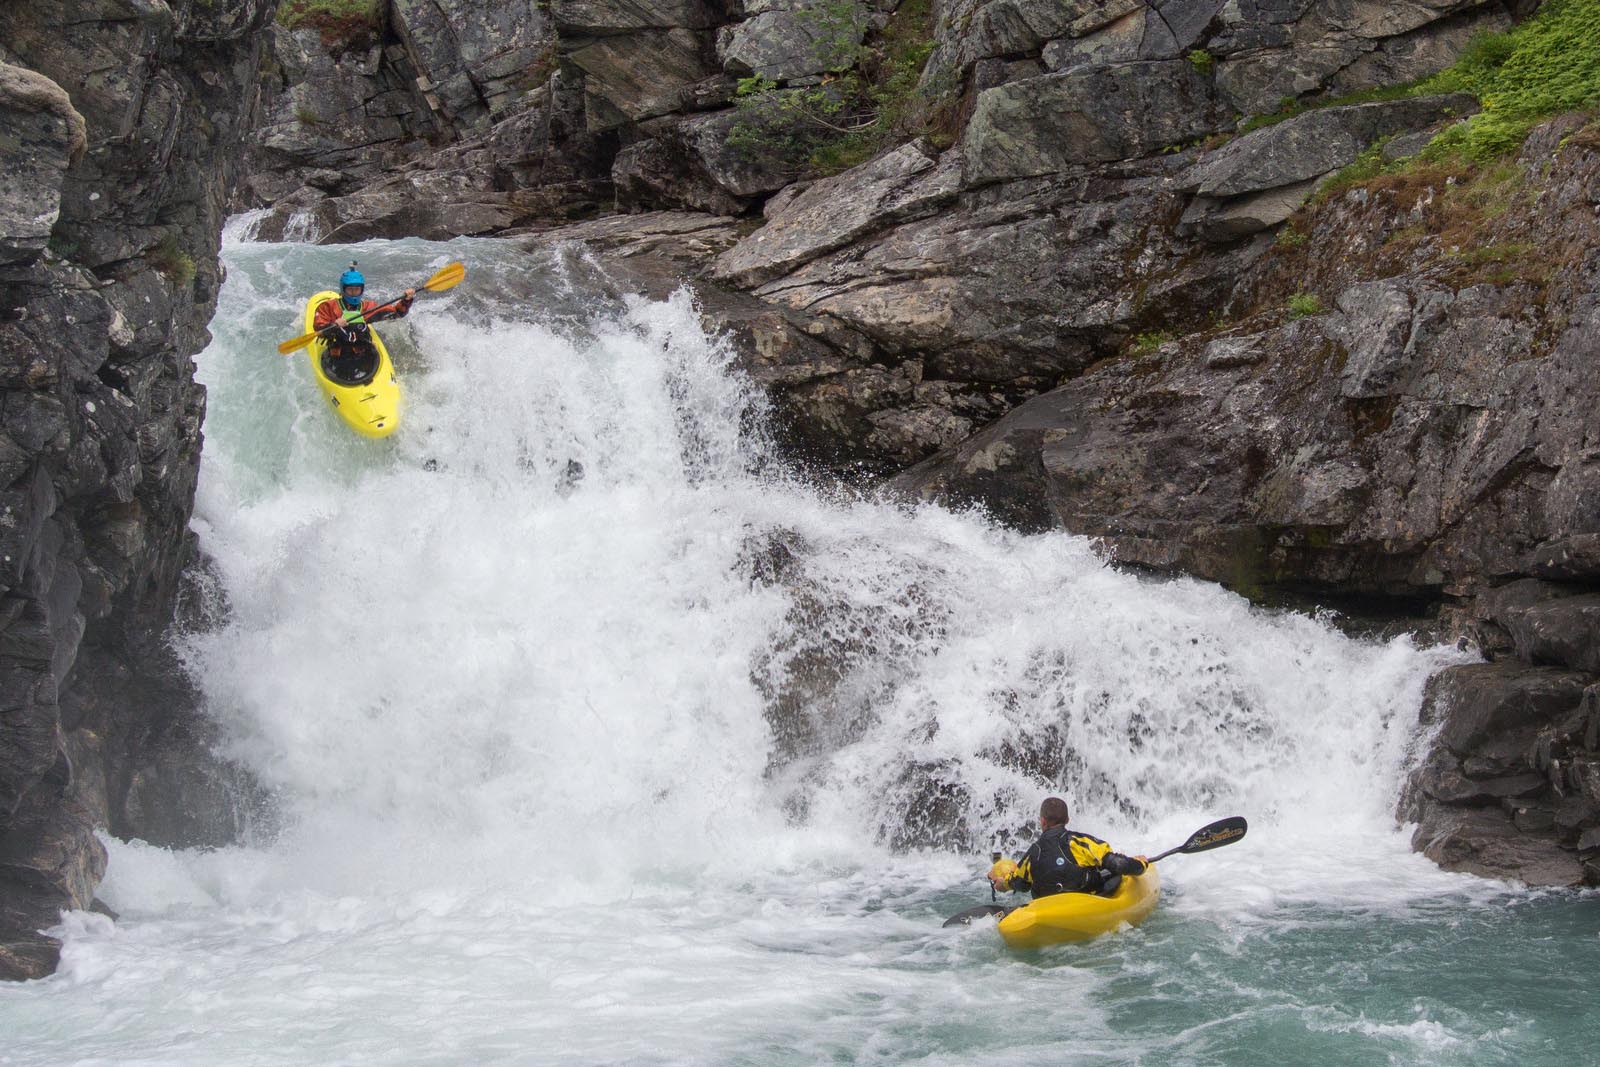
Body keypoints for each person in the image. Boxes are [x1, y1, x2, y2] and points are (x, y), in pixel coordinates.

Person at [989, 796, 1148, 899]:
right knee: (1110, 871)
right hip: (1083, 901)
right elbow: (1118, 864)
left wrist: (1002, 884)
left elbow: (1019, 883)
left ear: (1042, 822)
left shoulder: (1032, 853)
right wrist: (1141, 864)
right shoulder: (1080, 842)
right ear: (1067, 819)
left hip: (1048, 908)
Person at [312, 263, 414, 384]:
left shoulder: (367, 308)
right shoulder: (329, 307)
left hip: (362, 350)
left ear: (362, 289)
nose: (354, 293)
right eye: (350, 290)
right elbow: (319, 328)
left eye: (357, 289)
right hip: (338, 353)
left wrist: (406, 300)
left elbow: (397, 313)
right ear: (343, 289)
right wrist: (334, 325)